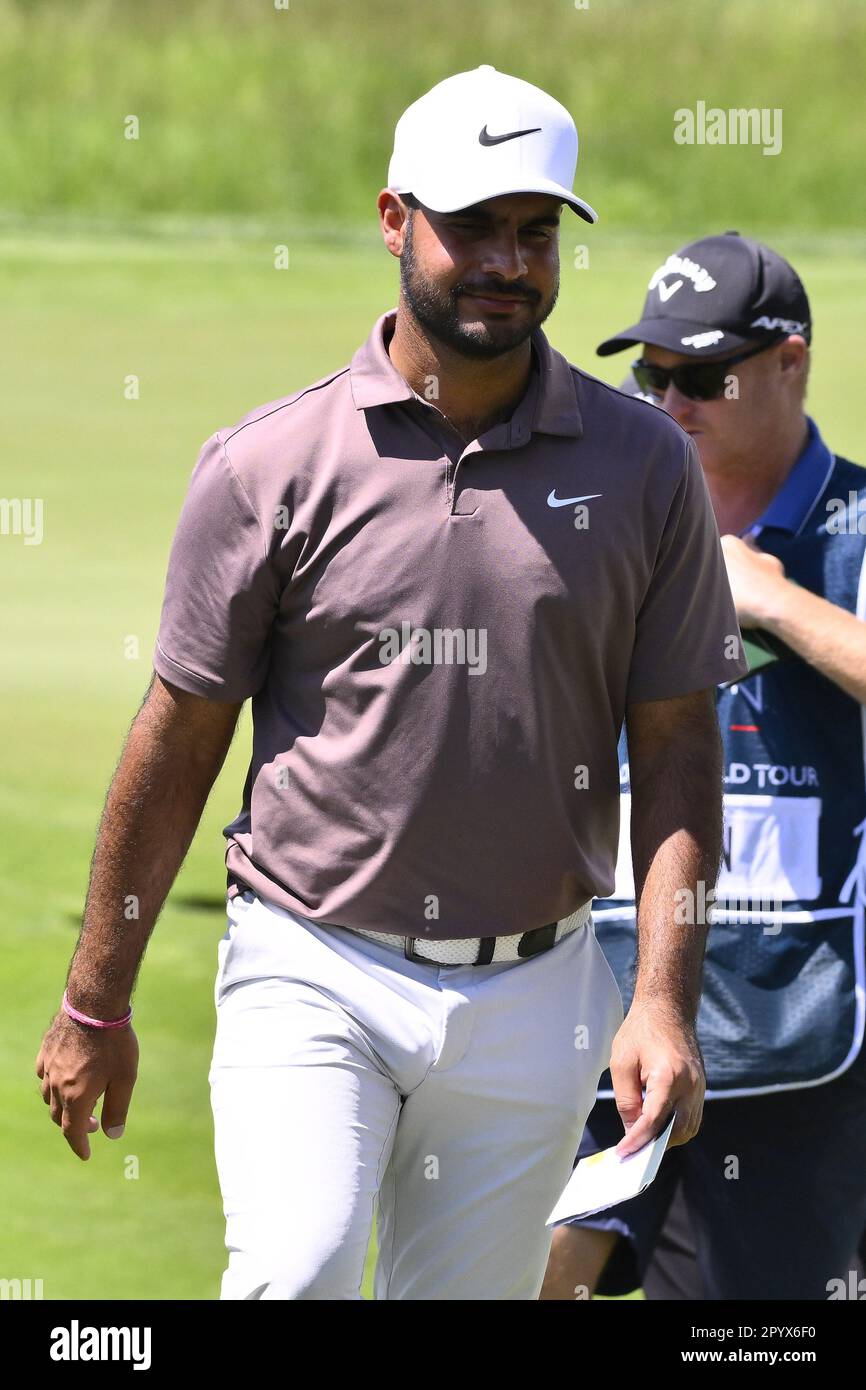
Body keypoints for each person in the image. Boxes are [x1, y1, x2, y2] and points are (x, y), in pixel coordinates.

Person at [35, 68, 748, 1301]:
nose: (505, 263)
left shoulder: (643, 468)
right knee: (296, 1274)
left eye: (533, 233)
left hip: (539, 986)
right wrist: (95, 1002)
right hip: (312, 963)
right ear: (391, 220)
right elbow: (181, 735)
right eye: (470, 227)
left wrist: (661, 1004)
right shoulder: (269, 465)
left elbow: (681, 740)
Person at [542, 232, 866, 1302]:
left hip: (791, 1031)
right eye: (650, 375)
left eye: (701, 376)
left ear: (790, 362)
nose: (669, 401)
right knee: (516, 1275)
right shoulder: (612, 522)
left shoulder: (855, 529)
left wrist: (770, 600)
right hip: (595, 1004)